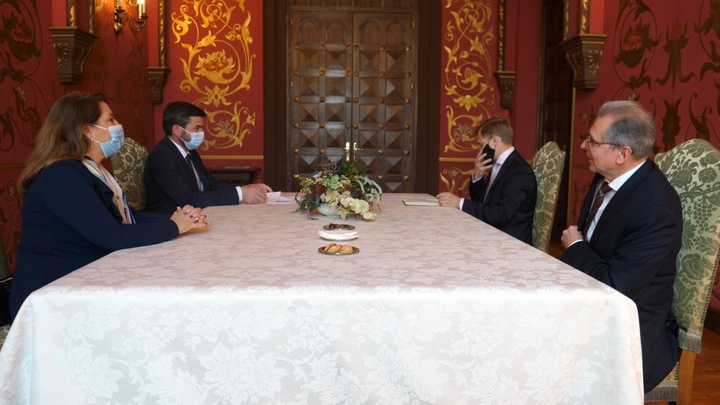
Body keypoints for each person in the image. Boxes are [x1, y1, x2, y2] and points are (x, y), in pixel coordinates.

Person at [9, 92, 208, 322]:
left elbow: (128, 218)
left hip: (83, 281)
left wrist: (176, 218)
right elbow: (113, 235)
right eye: (110, 120)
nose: (118, 125)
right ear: (87, 130)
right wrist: (173, 227)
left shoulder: (90, 168)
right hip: (51, 298)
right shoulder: (62, 174)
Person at [560, 100, 682, 393]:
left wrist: (574, 246)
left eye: (592, 141)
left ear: (623, 154)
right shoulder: (605, 175)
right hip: (590, 305)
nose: (583, 146)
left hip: (630, 333)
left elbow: (617, 287)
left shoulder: (655, 209)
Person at [143, 101, 273, 214]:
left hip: (199, 215)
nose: (201, 133)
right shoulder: (162, 157)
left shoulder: (190, 152)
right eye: (197, 128)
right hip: (170, 223)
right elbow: (189, 199)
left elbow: (211, 184)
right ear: (177, 130)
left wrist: (248, 189)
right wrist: (240, 194)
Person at [436, 117, 537, 245]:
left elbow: (501, 214)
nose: (480, 150)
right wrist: (478, 175)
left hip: (509, 243)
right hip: (491, 233)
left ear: (495, 141)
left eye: (481, 145)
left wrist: (458, 202)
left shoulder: (519, 172)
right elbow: (482, 202)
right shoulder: (500, 164)